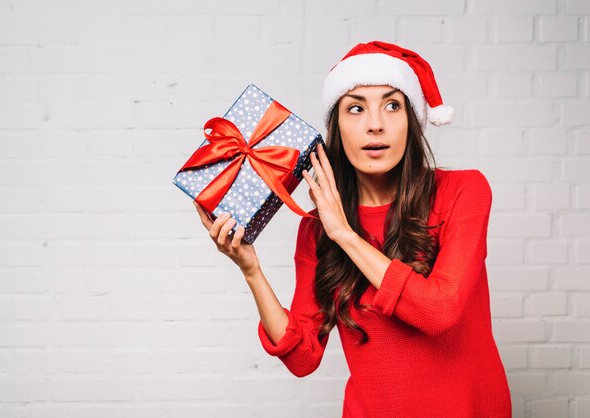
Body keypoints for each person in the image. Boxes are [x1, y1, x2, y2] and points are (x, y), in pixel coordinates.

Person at [194, 41, 512, 417]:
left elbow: (440, 311)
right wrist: (251, 270)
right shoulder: (316, 230)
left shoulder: (464, 191)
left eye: (392, 105)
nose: (375, 123)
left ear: (412, 120)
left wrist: (346, 234)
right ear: (337, 127)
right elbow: (302, 357)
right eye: (356, 108)